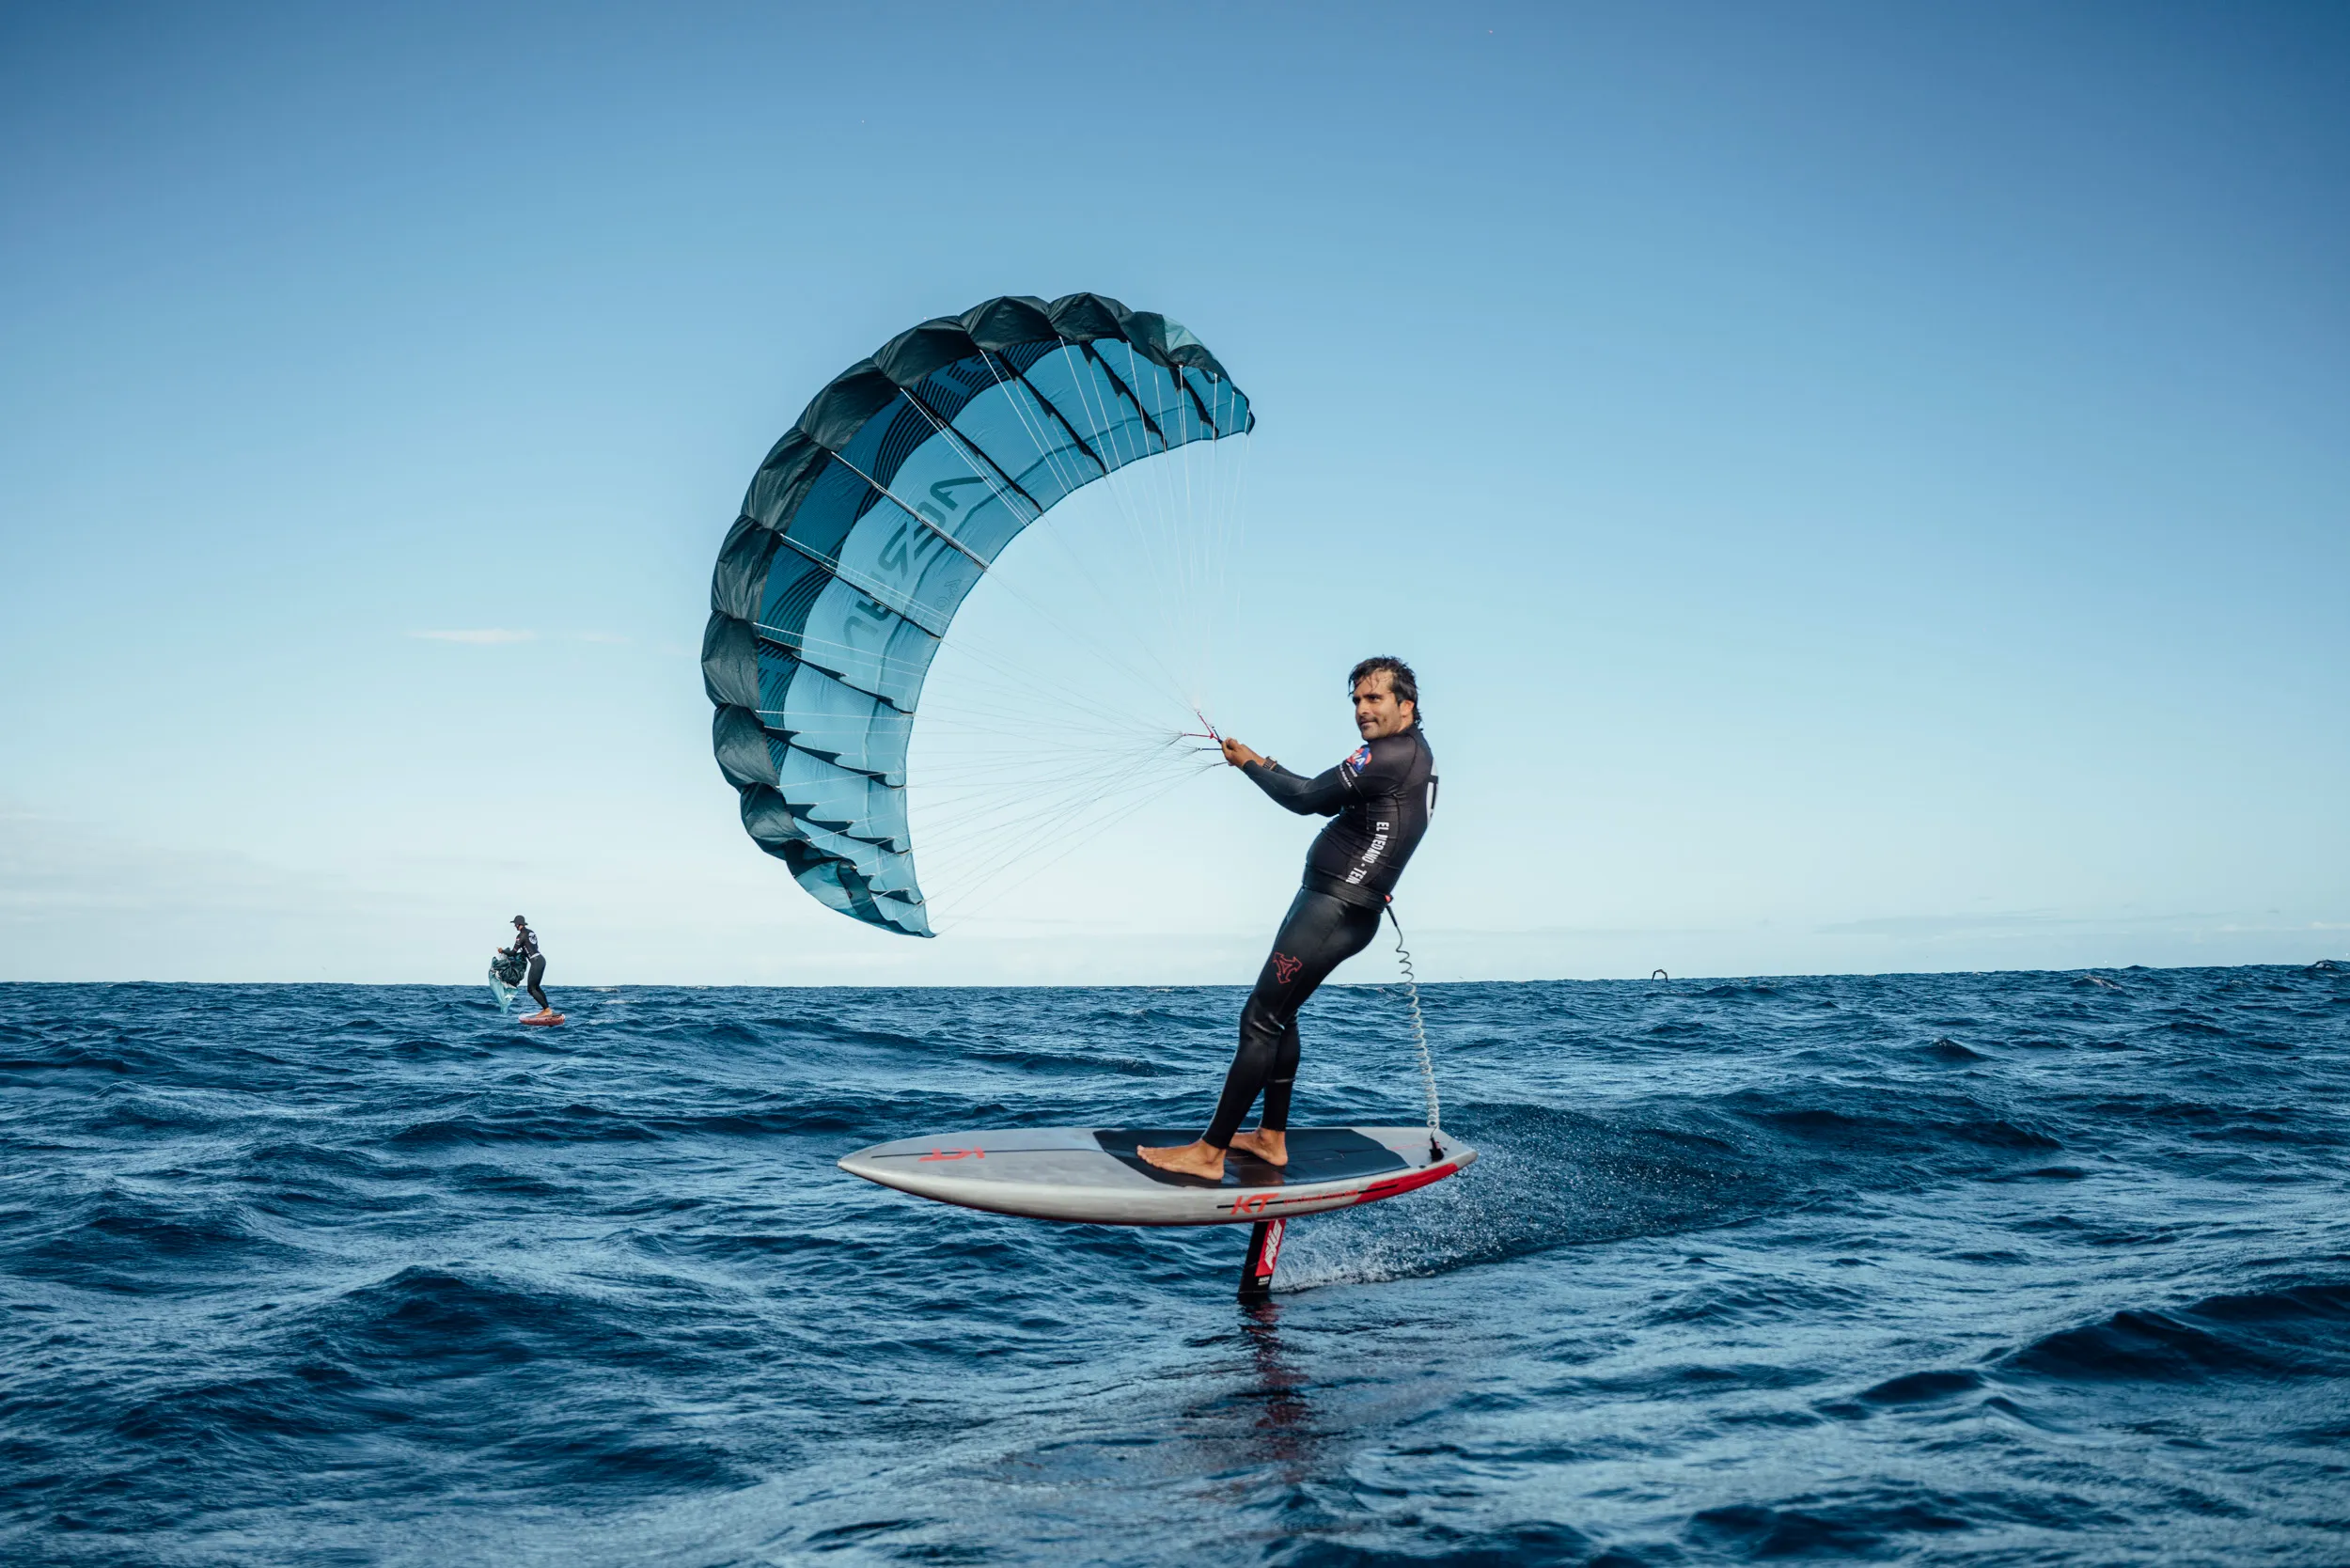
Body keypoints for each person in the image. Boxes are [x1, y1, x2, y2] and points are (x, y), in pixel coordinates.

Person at [1141, 657, 1436, 1179]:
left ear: (1405, 705)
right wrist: (1264, 763)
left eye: (1374, 699)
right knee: (1282, 1015)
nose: (1362, 710)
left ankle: (1208, 1154)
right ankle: (1270, 1137)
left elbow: (1305, 800)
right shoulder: (1407, 752)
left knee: (1260, 1019)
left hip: (1335, 908)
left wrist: (1250, 766)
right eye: (1357, 700)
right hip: (1331, 903)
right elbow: (1322, 797)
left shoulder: (1390, 755)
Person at [499, 916, 556, 1021]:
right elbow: (532, 947)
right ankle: (547, 1009)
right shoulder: (531, 932)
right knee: (536, 987)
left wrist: (502, 951)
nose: (515, 926)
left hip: (536, 962)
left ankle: (547, 1010)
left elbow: (512, 952)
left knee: (531, 989)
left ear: (518, 924)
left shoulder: (521, 935)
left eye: (515, 924)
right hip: (541, 960)